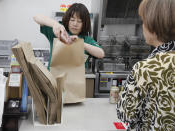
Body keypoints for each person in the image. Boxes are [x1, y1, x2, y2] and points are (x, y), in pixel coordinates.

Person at [116, 0, 175, 130]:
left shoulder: (146, 68)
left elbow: (124, 113)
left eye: (143, 21)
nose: (142, 26)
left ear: (153, 25)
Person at [33, 3, 104, 70]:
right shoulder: (58, 31)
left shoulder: (86, 39)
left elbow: (101, 53)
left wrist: (81, 43)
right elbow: (36, 17)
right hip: (53, 80)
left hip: (75, 81)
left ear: (84, 23)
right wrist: (55, 24)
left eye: (79, 21)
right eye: (72, 20)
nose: (75, 24)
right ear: (68, 20)